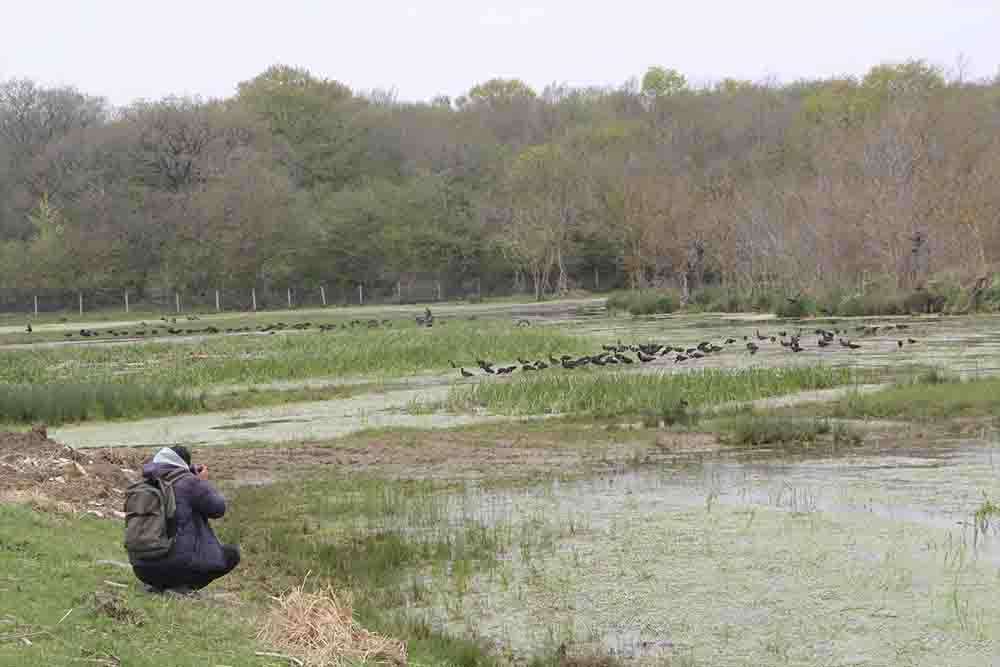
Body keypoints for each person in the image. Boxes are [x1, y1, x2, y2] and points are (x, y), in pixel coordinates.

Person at [130, 446, 240, 594]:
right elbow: (218, 509)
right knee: (231, 554)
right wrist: (202, 482)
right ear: (184, 464)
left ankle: (158, 586)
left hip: (142, 569)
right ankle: (183, 587)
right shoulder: (190, 482)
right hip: (177, 568)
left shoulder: (142, 484)